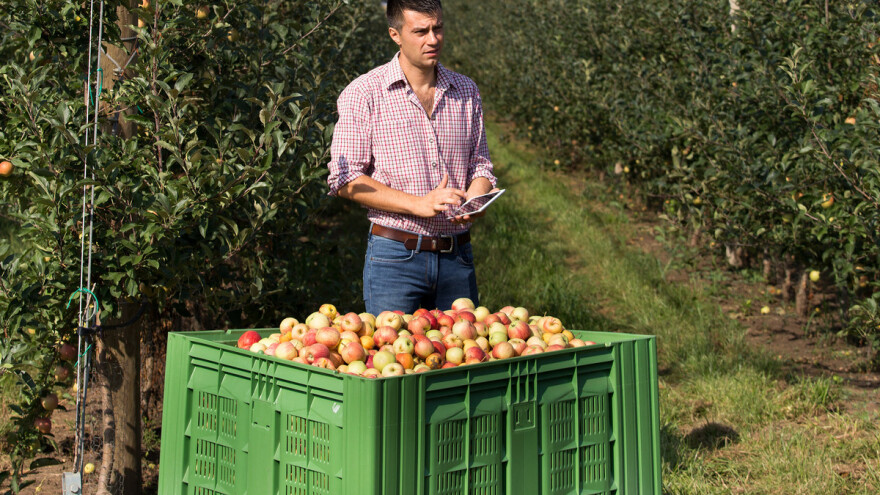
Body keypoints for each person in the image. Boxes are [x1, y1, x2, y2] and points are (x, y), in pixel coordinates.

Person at [326, 0, 497, 315]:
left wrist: (476, 197)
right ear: (395, 34)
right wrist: (419, 204)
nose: (433, 39)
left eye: (438, 28)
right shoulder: (364, 94)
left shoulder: (466, 91)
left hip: (457, 256)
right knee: (394, 355)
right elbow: (345, 180)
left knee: (460, 359)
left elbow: (481, 166)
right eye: (420, 31)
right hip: (395, 258)